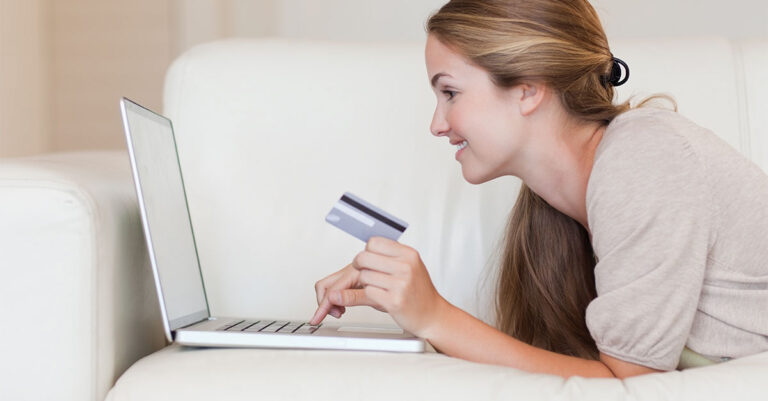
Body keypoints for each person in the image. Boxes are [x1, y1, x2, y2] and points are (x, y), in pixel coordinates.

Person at [309, 0, 768, 378]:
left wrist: (435, 317)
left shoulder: (645, 157)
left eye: (450, 93)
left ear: (528, 90)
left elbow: (631, 388)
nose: (436, 124)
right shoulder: (555, 211)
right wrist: (411, 301)